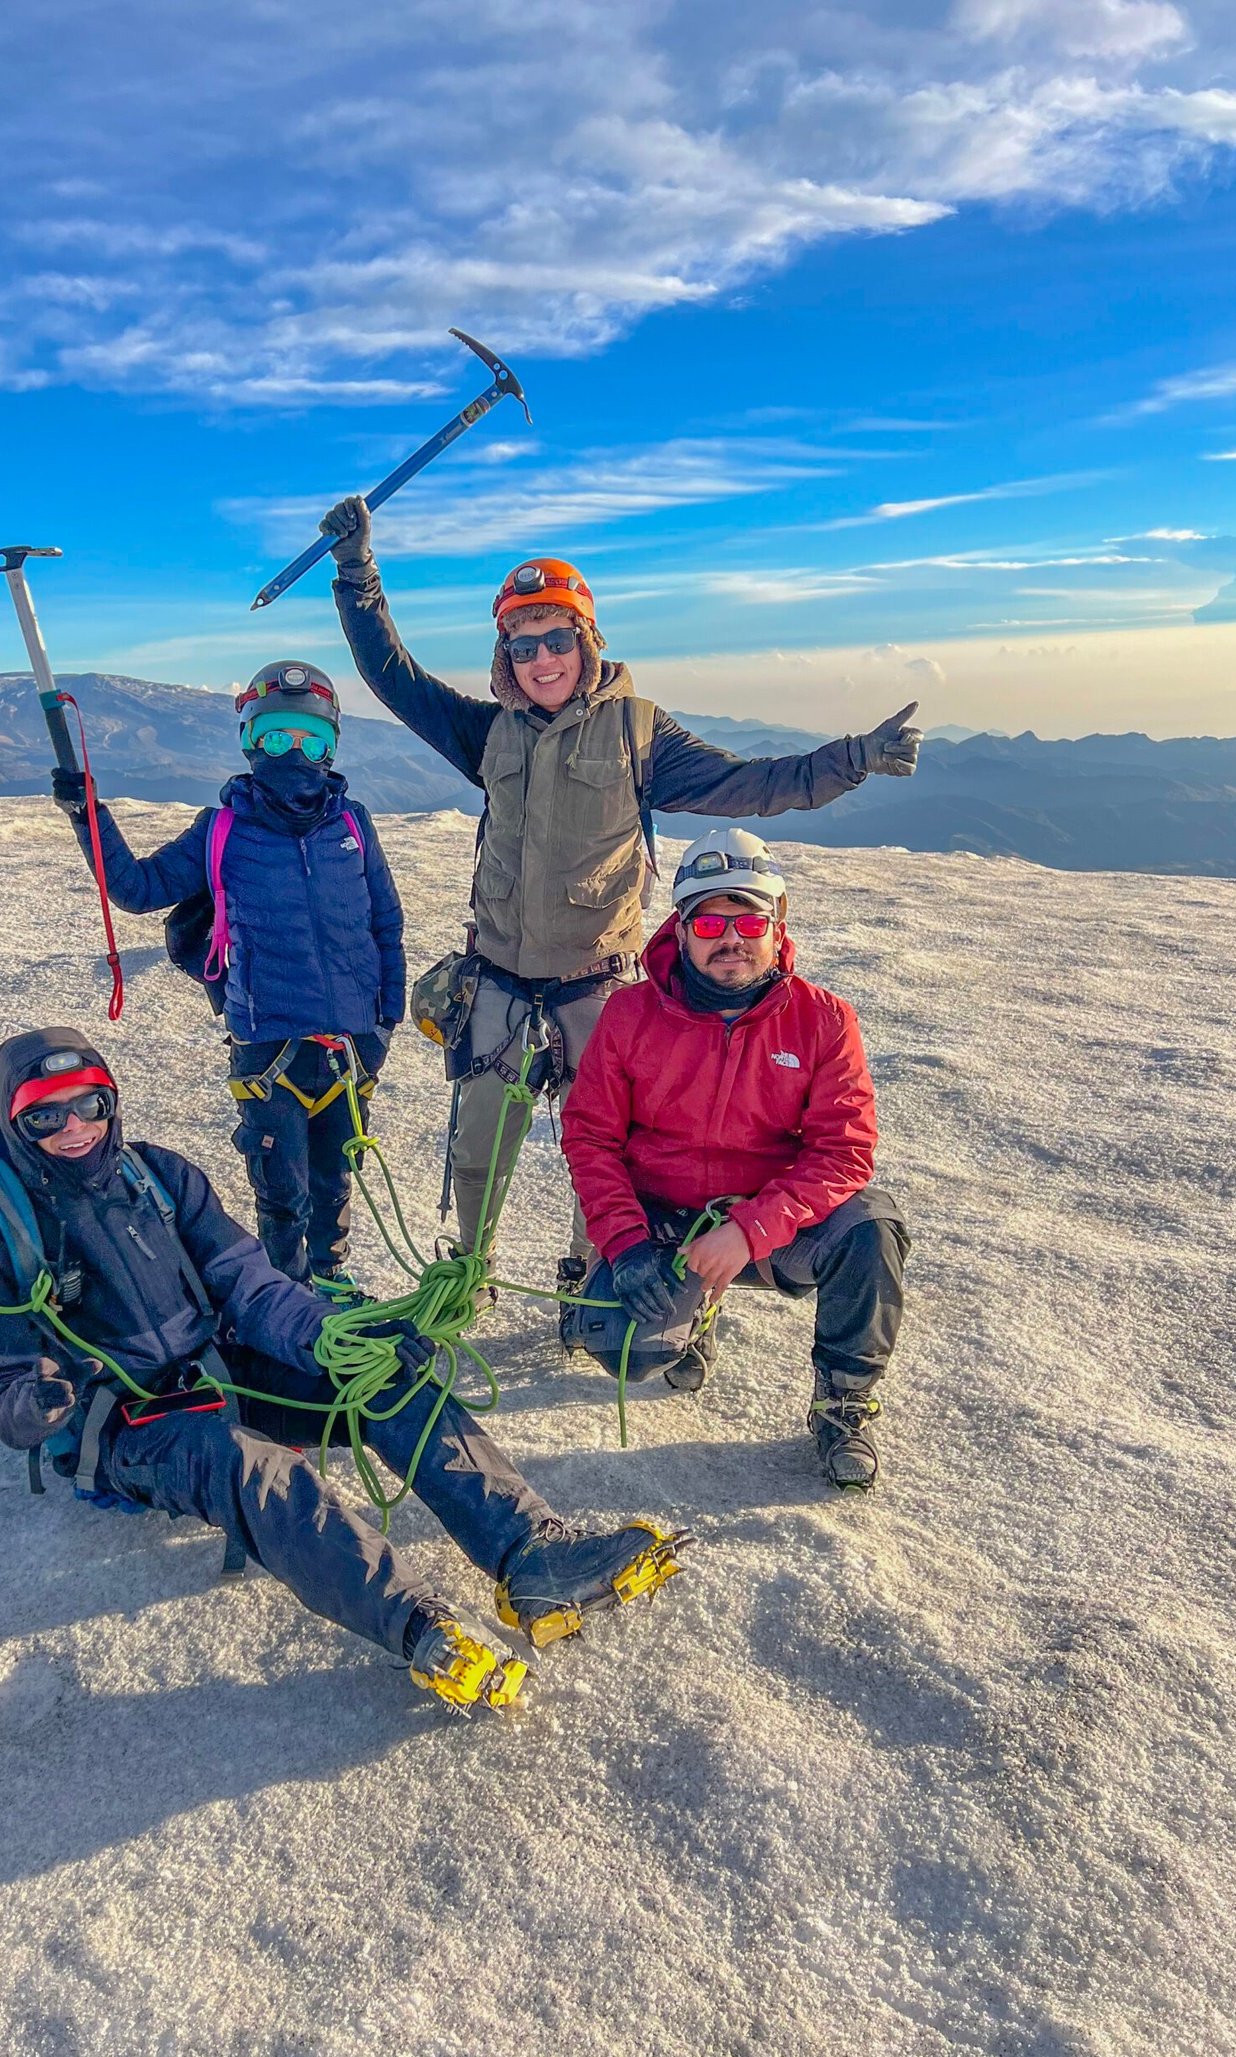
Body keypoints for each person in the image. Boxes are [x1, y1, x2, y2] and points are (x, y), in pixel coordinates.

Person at [0, 1027, 688, 1712]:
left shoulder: (159, 1175)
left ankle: (530, 1556)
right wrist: (33, 1401)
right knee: (252, 1466)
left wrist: (340, 1339)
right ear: (16, 1123)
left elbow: (252, 1285)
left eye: (90, 1105)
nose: (75, 1128)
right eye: (46, 1116)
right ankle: (414, 1626)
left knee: (384, 1382)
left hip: (220, 1367)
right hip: (123, 1425)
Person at [318, 495, 921, 1299]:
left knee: (602, 1147)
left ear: (586, 639)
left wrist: (853, 758)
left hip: (594, 980)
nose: (542, 658)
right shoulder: (489, 730)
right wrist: (358, 573)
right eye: (522, 643)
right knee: (478, 1146)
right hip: (495, 974)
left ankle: (587, 1275)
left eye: (557, 637)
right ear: (507, 654)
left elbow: (747, 785)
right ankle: (468, 1271)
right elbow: (394, 678)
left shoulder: (640, 732)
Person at [558, 831, 910, 1491]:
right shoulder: (631, 1014)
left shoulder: (822, 1021)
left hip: (771, 1226)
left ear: (777, 929)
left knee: (871, 1231)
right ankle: (686, 1320)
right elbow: (590, 1135)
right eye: (712, 922)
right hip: (664, 1221)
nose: (732, 939)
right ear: (682, 929)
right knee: (617, 1342)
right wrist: (626, 1245)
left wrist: (750, 1229)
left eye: (751, 921)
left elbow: (844, 1150)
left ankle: (844, 1403)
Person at [52, 660, 404, 1298]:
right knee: (283, 1188)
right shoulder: (222, 831)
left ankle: (332, 1279)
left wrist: (385, 1023)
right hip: (267, 1045)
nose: (295, 751)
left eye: (311, 739)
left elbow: (385, 922)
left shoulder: (353, 825)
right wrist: (88, 813)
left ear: (332, 745)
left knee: (335, 1174)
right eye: (276, 736)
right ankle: (289, 1298)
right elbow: (136, 887)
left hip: (352, 1044)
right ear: (249, 740)